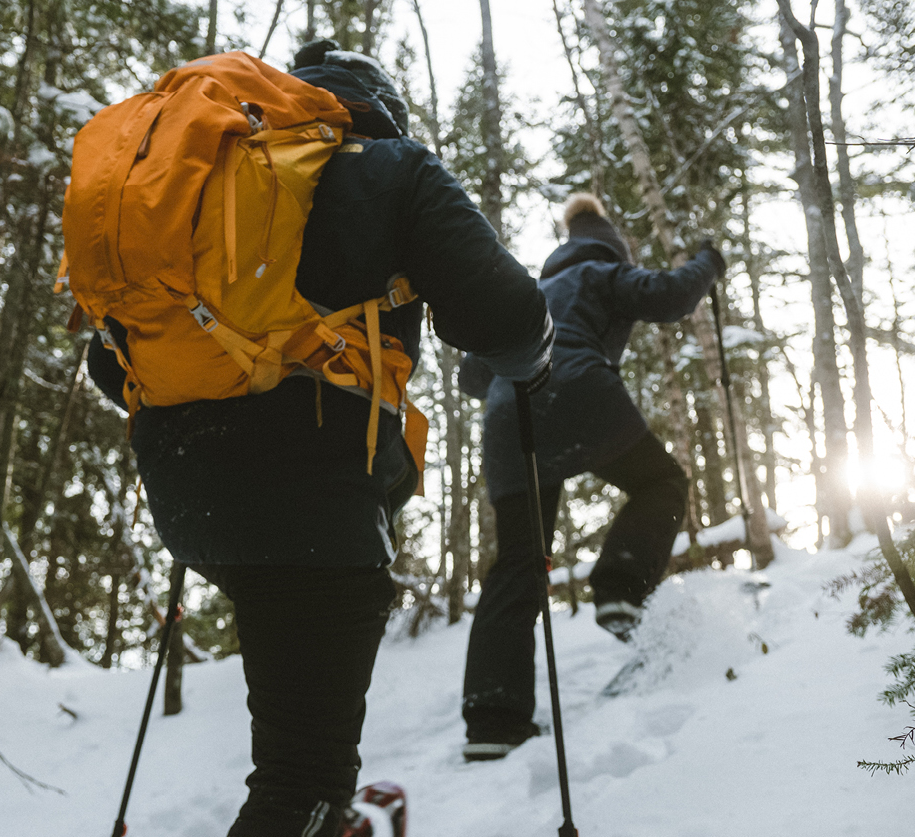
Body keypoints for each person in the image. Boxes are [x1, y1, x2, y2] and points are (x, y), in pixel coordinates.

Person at [85, 42, 553, 837]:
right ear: (383, 111)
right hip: (316, 501)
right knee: (301, 782)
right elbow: (505, 315)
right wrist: (537, 363)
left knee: (299, 759)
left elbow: (109, 364)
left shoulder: (207, 175)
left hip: (190, 496)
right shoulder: (393, 166)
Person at [458, 193, 724, 761]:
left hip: (508, 414)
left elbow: (472, 376)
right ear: (611, 245)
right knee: (662, 483)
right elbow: (672, 297)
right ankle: (619, 589)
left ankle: (493, 720)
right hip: (578, 389)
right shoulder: (602, 272)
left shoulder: (530, 294)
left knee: (519, 562)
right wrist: (709, 261)